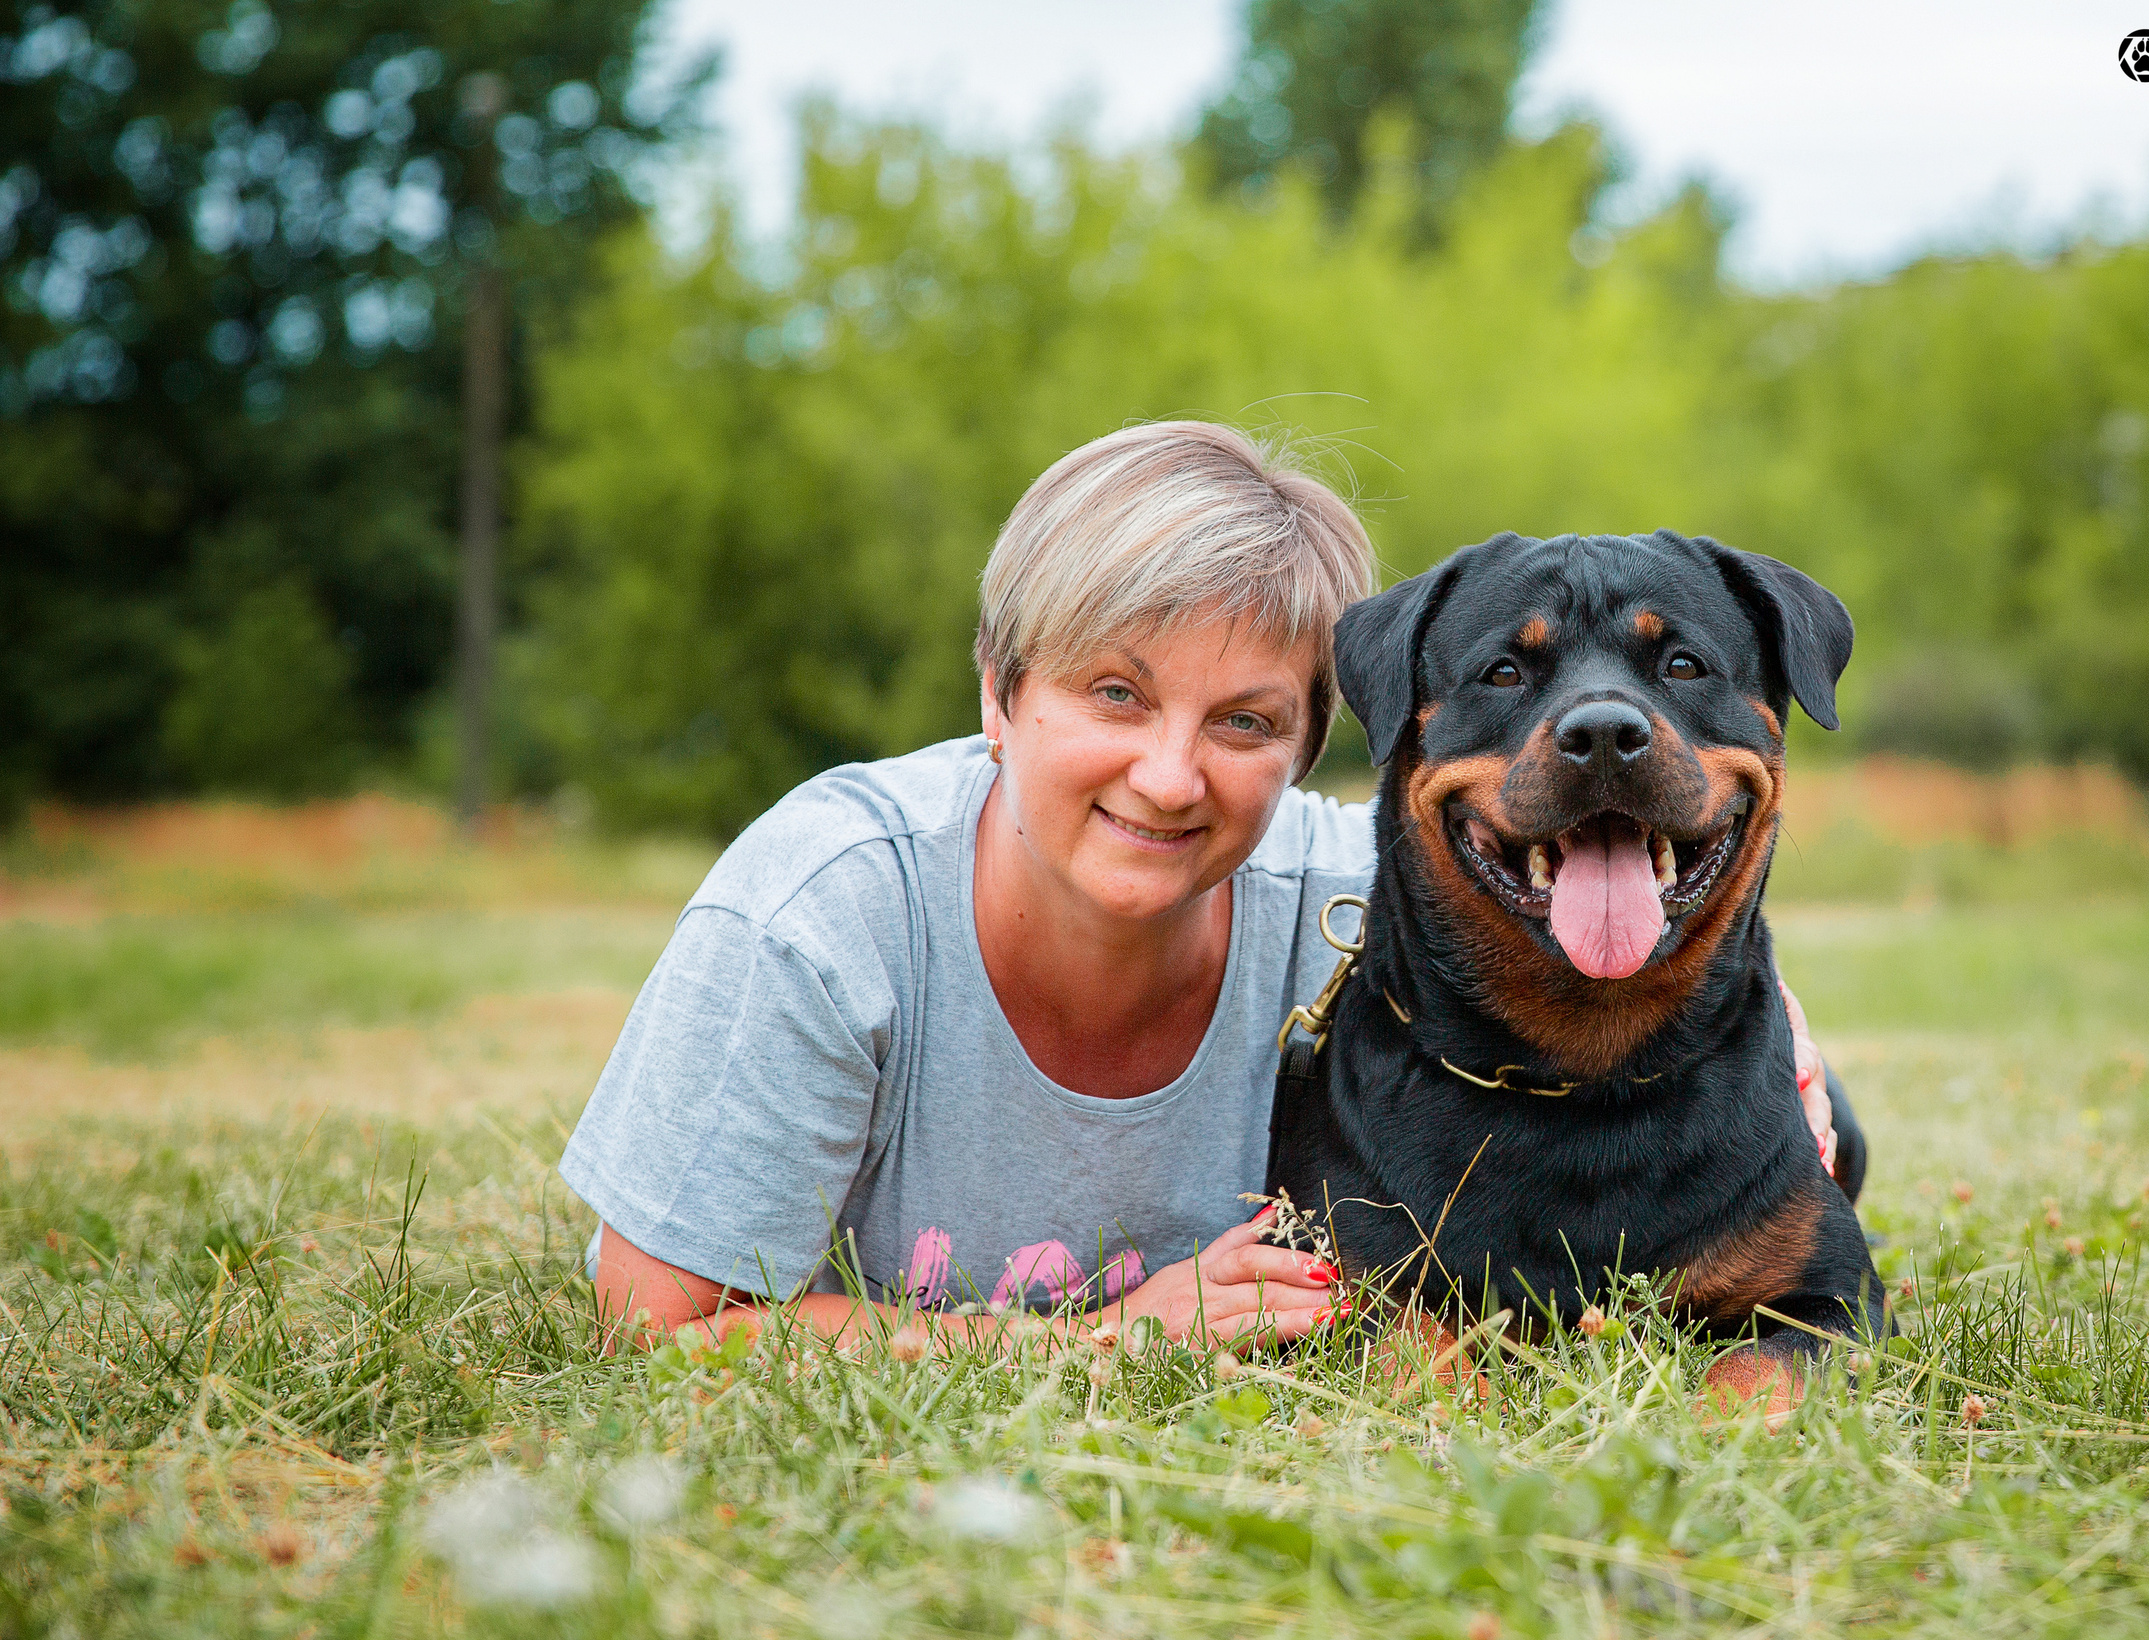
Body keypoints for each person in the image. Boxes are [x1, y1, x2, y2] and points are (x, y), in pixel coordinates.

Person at [560, 421, 1836, 1354]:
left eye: (1243, 721)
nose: (1170, 778)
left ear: (1314, 742)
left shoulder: (1347, 896)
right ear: (999, 694)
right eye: (1114, 694)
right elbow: (659, 1326)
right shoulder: (827, 912)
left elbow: (1614, 905)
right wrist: (1102, 1342)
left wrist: (1785, 1053)